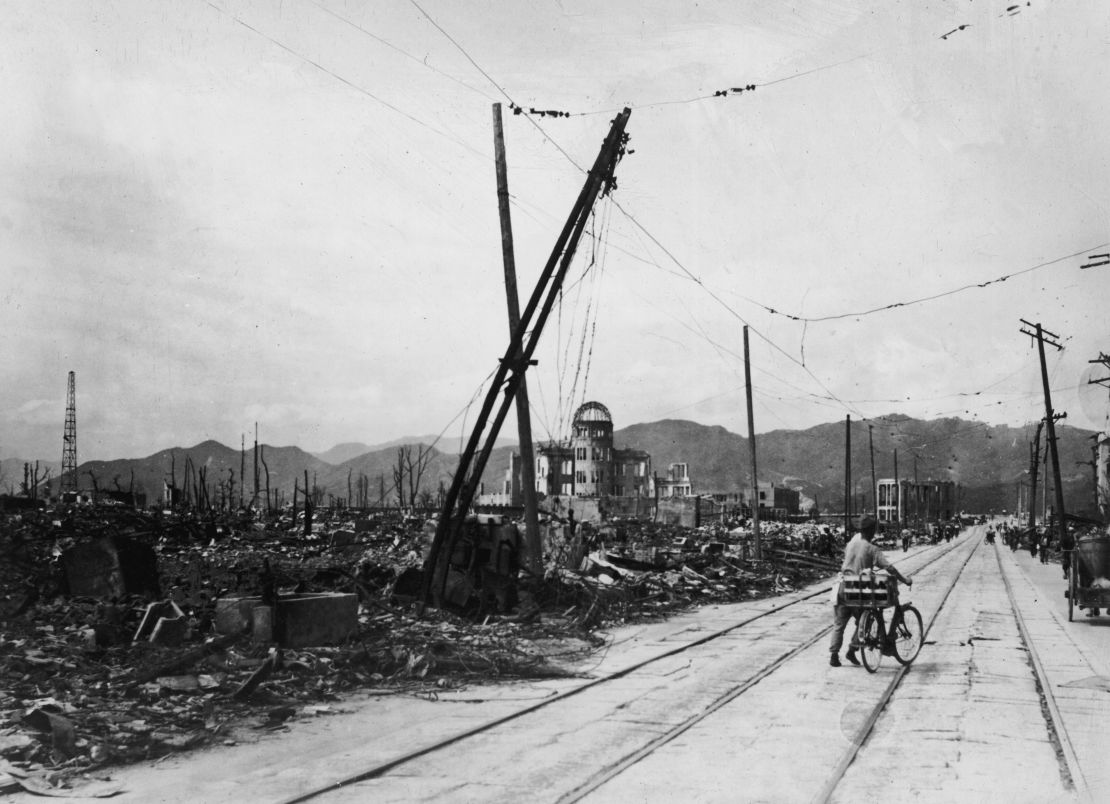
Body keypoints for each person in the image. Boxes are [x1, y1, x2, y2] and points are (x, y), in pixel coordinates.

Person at [830, 515, 912, 667]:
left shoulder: (850, 544)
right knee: (865, 622)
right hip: (857, 589)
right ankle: (852, 649)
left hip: (842, 585)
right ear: (872, 531)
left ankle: (834, 655)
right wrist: (904, 580)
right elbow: (890, 568)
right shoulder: (873, 549)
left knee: (839, 623)